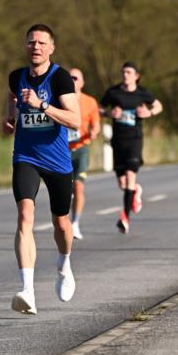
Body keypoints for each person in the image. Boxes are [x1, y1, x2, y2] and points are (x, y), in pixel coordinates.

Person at [3, 24, 81, 315]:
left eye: (41, 43)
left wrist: (42, 104)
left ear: (51, 48)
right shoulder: (16, 77)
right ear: (26, 46)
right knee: (25, 215)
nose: (35, 46)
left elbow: (75, 121)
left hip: (58, 161)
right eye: (31, 42)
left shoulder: (60, 78)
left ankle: (64, 263)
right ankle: (27, 290)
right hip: (26, 156)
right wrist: (10, 118)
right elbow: (12, 100)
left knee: (61, 223)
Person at [100, 62, 162, 234]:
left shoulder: (142, 93)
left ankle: (125, 217)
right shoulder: (113, 92)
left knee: (130, 175)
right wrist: (109, 114)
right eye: (123, 72)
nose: (125, 75)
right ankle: (135, 191)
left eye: (129, 72)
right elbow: (99, 108)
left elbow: (159, 105)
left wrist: (148, 113)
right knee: (122, 183)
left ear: (136, 75)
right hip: (118, 140)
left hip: (135, 139)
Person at [67, 67, 101, 240]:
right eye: (69, 77)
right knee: (64, 189)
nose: (72, 80)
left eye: (75, 77)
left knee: (79, 186)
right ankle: (64, 221)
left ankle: (75, 223)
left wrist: (94, 131)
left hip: (81, 148)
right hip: (61, 150)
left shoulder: (90, 101)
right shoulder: (59, 99)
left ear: (82, 82)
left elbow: (96, 123)